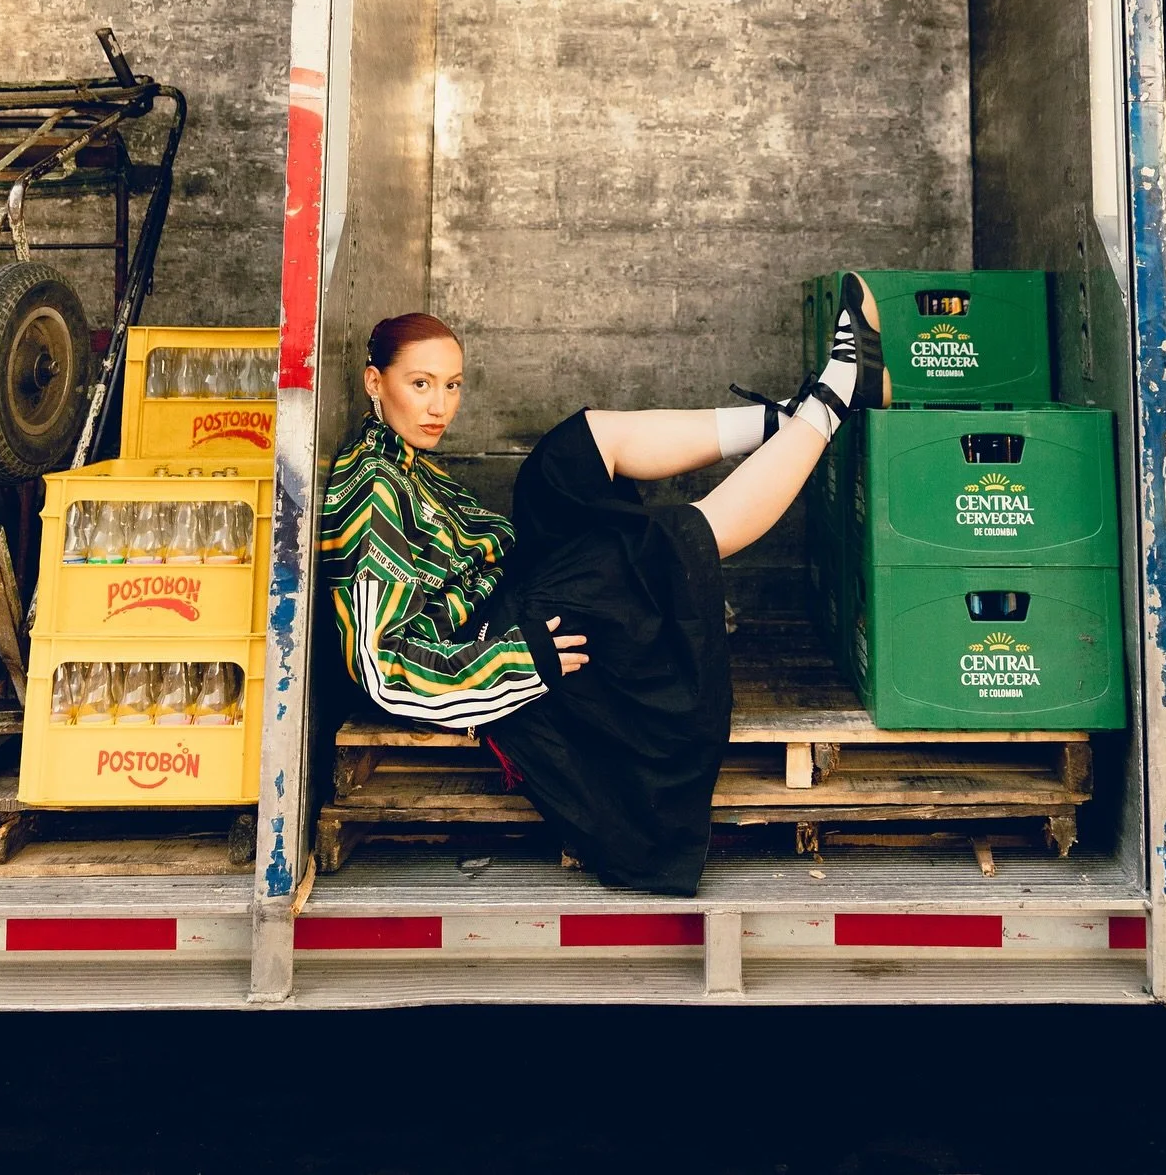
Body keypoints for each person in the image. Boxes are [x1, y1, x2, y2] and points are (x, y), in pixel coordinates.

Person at [319, 277, 888, 895]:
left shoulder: (407, 462)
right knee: (658, 548)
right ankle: (831, 402)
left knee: (575, 448)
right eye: (420, 384)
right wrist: (521, 658)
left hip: (515, 589)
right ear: (376, 382)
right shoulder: (371, 489)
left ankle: (787, 419)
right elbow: (378, 667)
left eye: (451, 385)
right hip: (504, 651)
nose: (439, 406)